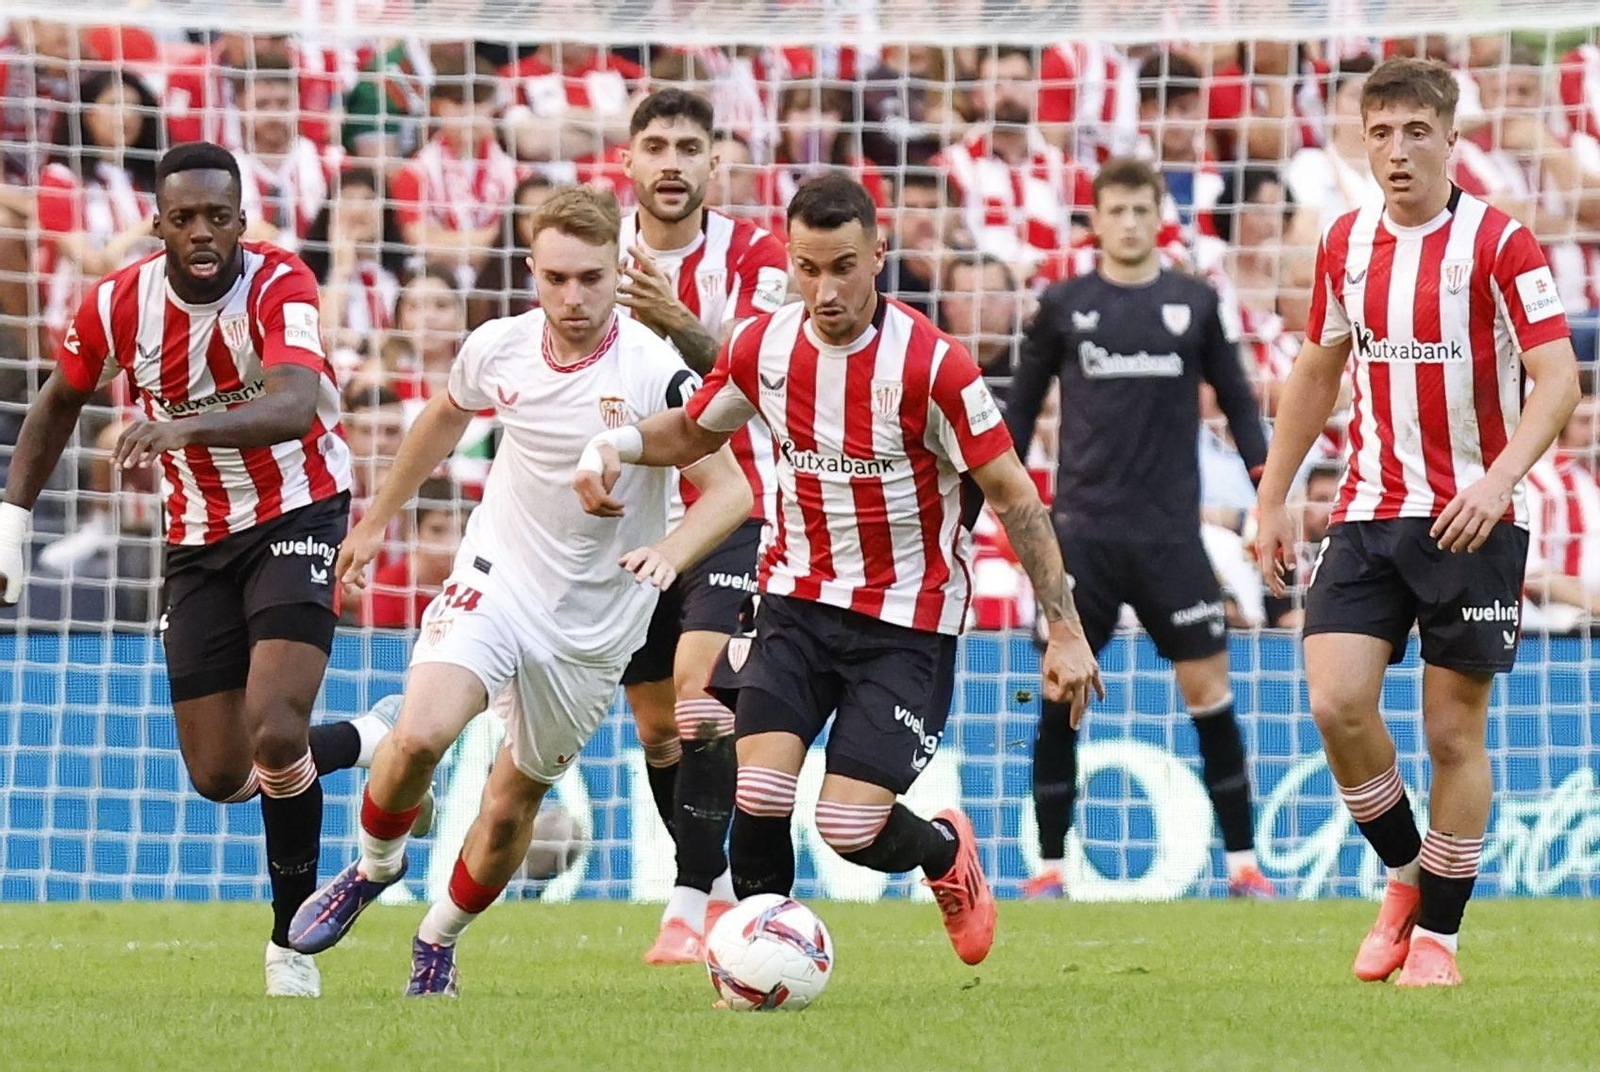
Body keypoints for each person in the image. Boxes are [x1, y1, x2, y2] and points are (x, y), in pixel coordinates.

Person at [574, 174, 1102, 970]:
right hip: (794, 603)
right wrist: (610, 447)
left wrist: (1063, 628)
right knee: (759, 793)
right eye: (808, 268)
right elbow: (690, 431)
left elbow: (1015, 499)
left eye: (843, 267)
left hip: (907, 623)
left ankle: (944, 853)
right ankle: (754, 967)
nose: (825, 291)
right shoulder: (762, 345)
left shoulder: (935, 367)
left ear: (879, 256)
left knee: (850, 827)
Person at [286, 185, 753, 997]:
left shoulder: (651, 369)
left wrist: (670, 553)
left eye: (593, 280)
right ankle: (372, 869)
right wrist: (374, 522)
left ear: (620, 273)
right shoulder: (498, 346)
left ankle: (440, 938)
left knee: (509, 805)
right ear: (532, 271)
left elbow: (730, 489)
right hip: (495, 580)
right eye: (558, 279)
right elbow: (442, 416)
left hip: (593, 629)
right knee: (423, 734)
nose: (574, 298)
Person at [0, 142, 418, 997]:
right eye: (183, 217)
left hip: (300, 511)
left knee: (274, 728)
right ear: (157, 224)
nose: (201, 233)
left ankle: (291, 947)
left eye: (217, 218)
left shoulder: (279, 285)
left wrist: (180, 430)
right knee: (222, 774)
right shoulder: (119, 303)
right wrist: (11, 520)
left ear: (241, 223)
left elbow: (297, 401)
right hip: (196, 537)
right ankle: (378, 737)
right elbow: (57, 402)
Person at [1255, 58, 1581, 987]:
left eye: (1416, 133)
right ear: (1365, 141)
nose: (1397, 152)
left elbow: (1558, 379)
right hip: (1367, 509)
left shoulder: (1502, 244)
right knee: (1335, 701)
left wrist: (1499, 481)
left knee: (1452, 737)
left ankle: (1438, 936)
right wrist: (1275, 495)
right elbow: (1317, 371)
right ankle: (1404, 875)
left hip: (1472, 520)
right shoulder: (1344, 244)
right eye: (1381, 133)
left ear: (1450, 138)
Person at [1005, 156, 1277, 903]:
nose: (1127, 223)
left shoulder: (1193, 302)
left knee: (1209, 692)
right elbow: (1019, 415)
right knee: (1062, 692)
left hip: (1170, 538)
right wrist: (990, 501)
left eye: (1139, 209)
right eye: (1114, 209)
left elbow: (1242, 405)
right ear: (1095, 219)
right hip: (1081, 537)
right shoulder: (1063, 305)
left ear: (1159, 214)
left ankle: (1243, 864)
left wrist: (1266, 492)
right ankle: (1050, 869)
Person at [612, 87, 791, 963]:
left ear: (714, 163)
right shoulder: (590, 257)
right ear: (629, 161)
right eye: (656, 146)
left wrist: (675, 321)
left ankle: (684, 907)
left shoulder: (756, 255)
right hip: (630, 520)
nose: (672, 161)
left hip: (739, 505)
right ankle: (717, 892)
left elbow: (757, 373)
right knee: (655, 725)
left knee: (698, 693)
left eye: (689, 146)